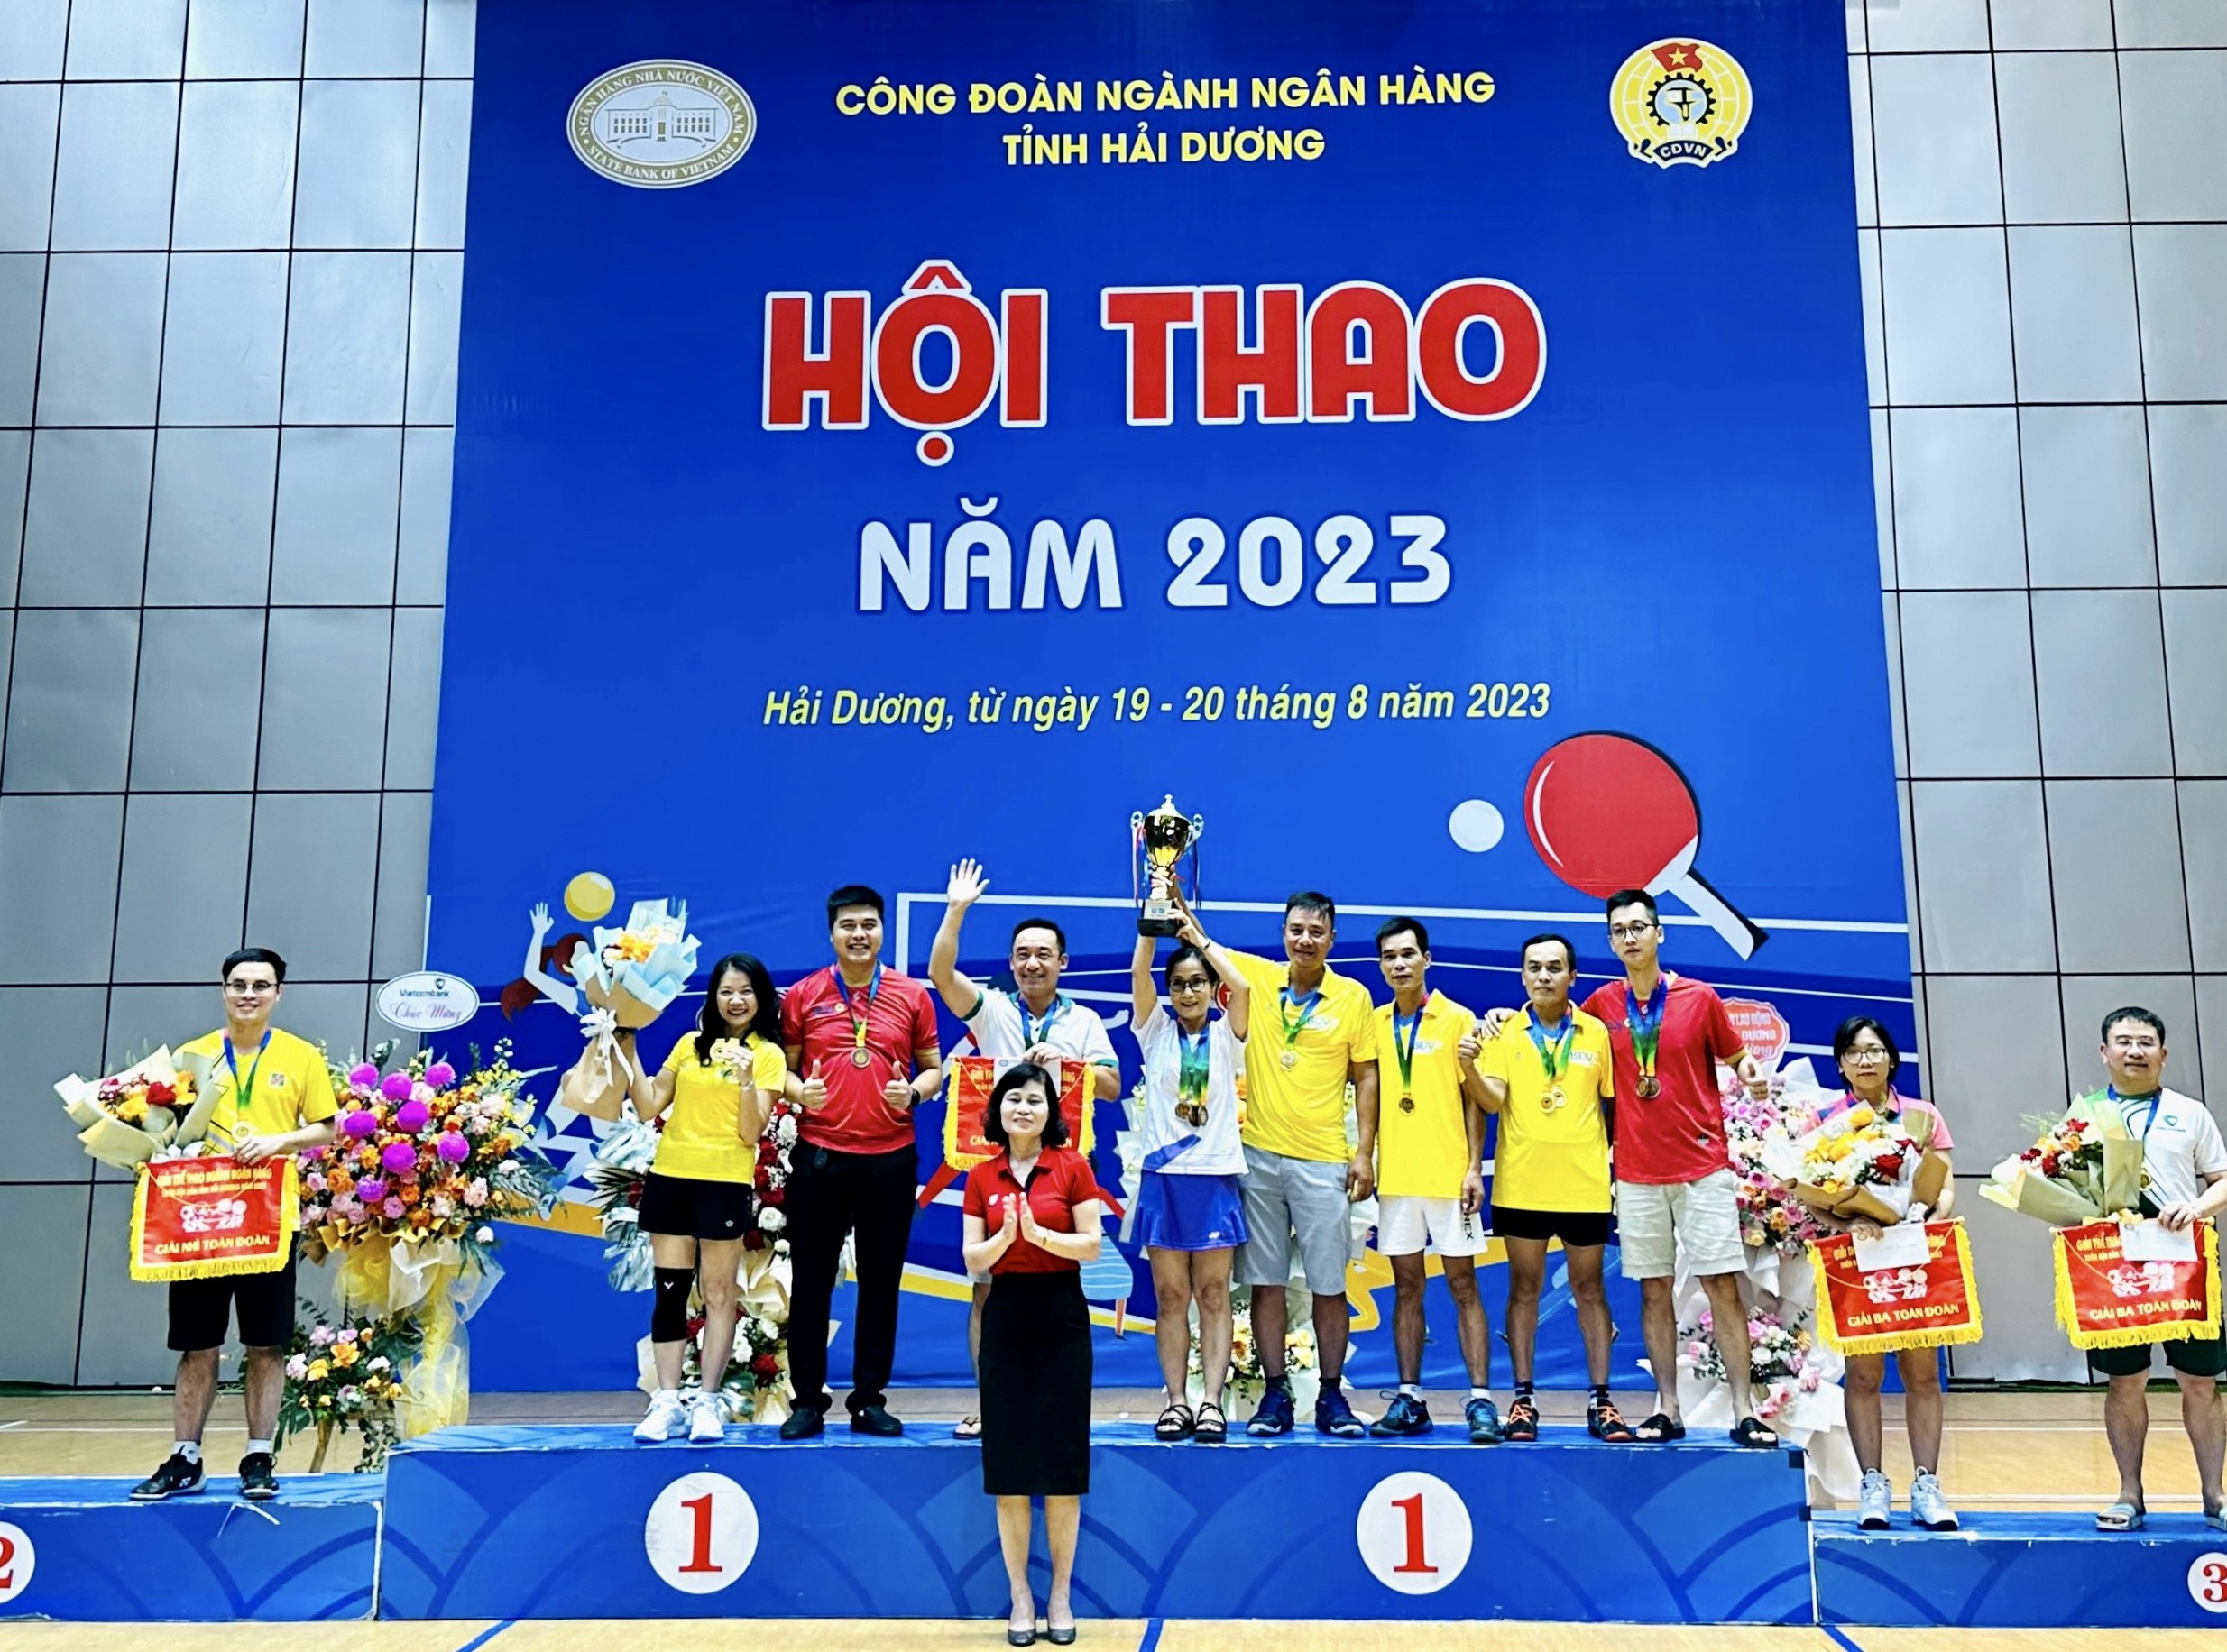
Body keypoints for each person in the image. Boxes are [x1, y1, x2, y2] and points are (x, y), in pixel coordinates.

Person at [132, 948, 338, 1503]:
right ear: (223, 990)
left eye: (260, 985)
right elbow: (163, 1129)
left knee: (265, 1343)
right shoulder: (192, 1056)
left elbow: (327, 1129)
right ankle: (185, 1457)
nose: (249, 994)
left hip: (268, 1221)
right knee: (196, 1343)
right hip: (200, 1219)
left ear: (278, 993)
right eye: (239, 984)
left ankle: (258, 1455)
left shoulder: (300, 1056)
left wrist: (278, 1142)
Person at [931, 858, 1122, 1440]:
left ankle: (1053, 1409)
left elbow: (1112, 1085)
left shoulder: (1084, 1021)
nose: (1033, 963)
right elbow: (941, 973)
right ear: (1012, 963)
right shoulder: (991, 1009)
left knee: (1058, 1290)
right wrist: (956, 910)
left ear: (1063, 963)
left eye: (1044, 954)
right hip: (998, 1167)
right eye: (1023, 955)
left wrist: (1070, 1064)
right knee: (988, 1288)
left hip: (1063, 1171)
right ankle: (991, 1404)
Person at [1584, 890, 1773, 1446]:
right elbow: (1554, 1024)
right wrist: (1506, 1016)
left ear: (1659, 933)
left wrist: (1751, 1072)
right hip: (1637, 1171)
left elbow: (1739, 1056)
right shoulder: (1601, 1006)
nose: (1630, 938)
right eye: (1619, 931)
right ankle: (1667, 1407)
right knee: (1653, 1290)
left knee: (1722, 1286)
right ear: (1611, 942)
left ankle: (1744, 1409)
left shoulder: (1700, 998)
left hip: (1701, 1165)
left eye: (1639, 927)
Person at [778, 886, 944, 1439]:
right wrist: (800, 1093)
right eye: (848, 925)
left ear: (882, 931)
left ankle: (869, 1400)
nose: (859, 934)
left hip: (889, 1160)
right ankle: (807, 1400)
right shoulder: (802, 995)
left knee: (881, 1281)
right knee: (811, 1282)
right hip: (820, 1156)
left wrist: (913, 1093)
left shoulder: (911, 995)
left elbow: (933, 1069)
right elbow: (786, 1070)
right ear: (831, 933)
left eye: (869, 924)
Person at [1225, 891, 1379, 1436]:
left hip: (1323, 1162)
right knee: (1265, 1283)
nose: (1305, 940)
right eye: (1296, 930)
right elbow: (1200, 942)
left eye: (1316, 932)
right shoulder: (1258, 979)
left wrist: (1363, 1152)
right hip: (1260, 1159)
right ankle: (1275, 1395)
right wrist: (1169, 891)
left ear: (1332, 938)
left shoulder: (1354, 997)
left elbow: (1367, 1075)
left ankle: (1331, 1397)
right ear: (1283, 933)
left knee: (1328, 1285)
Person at [962, 1063, 1106, 1646]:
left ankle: (1060, 1595)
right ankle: (1020, 1596)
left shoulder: (1072, 1167)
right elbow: (973, 1258)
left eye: (1035, 1100)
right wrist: (1005, 1238)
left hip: (1061, 1314)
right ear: (997, 1109)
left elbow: (1091, 1245)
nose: (1023, 1109)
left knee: (1063, 1467)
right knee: (1011, 1471)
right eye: (1014, 1099)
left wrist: (1041, 1236)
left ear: (1051, 1112)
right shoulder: (981, 1176)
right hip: (1007, 1316)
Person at [625, 953, 787, 1446]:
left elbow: (750, 1133)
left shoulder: (768, 1055)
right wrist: (626, 1045)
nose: (736, 1000)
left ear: (761, 998)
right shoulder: (688, 1046)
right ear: (713, 997)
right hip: (672, 1177)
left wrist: (746, 1080)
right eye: (726, 991)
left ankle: (707, 1402)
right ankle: (667, 1401)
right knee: (670, 1293)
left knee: (719, 1294)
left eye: (746, 991)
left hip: (724, 1182)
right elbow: (649, 1104)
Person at [1475, 932, 1628, 1444]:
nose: (1544, 976)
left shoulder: (1596, 1033)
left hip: (1584, 1186)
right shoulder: (1503, 1032)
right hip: (1521, 1184)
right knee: (1524, 1289)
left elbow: (1613, 1104)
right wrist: (1467, 1065)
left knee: (1590, 1289)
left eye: (1554, 967)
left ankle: (1601, 1400)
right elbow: (1491, 1101)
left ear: (1572, 976)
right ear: (1522, 976)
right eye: (1535, 967)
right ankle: (1523, 1399)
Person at [2083, 1007, 2227, 1534]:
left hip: (2184, 1261)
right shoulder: (2084, 1117)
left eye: (2146, 1042)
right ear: (2104, 1052)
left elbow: (2222, 1178)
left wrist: (2197, 1207)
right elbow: (2059, 1183)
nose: (2135, 1051)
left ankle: (2215, 1496)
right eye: (2123, 1041)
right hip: (2115, 1265)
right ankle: (2129, 1495)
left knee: (2200, 1381)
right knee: (2125, 1381)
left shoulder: (2190, 1112)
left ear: (2163, 1054)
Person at [1814, 1016, 1959, 1530]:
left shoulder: (1922, 1116)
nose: (1866, 1060)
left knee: (1922, 1373)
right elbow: (1815, 1196)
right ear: (1841, 1065)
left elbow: (1944, 1184)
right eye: (1854, 1052)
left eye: (1875, 1050)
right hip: (1858, 1258)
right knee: (1864, 1375)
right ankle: (1872, 1485)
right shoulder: (1827, 1122)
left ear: (1891, 1059)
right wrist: (1848, 1222)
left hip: (1916, 1252)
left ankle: (1927, 1486)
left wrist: (1926, 1216)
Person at [1367, 918, 1500, 1443]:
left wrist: (1472, 1167)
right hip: (1397, 1182)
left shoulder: (1458, 1018)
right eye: (1389, 957)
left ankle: (1481, 1401)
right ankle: (1410, 1399)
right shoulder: (1375, 1023)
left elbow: (1475, 1100)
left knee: (1464, 1286)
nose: (1399, 964)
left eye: (1408, 954)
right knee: (1406, 1288)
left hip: (1449, 1180)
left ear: (1427, 959)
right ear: (1381, 965)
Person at [1128, 896, 1251, 1444]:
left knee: (1214, 1294)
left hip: (1214, 1177)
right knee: (1172, 1297)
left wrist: (1198, 940)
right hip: (1165, 1180)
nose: (1187, 993)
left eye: (1197, 983)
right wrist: (1152, 924)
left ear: (1210, 988)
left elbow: (1242, 987)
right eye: (1178, 984)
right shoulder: (1154, 1030)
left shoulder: (1227, 1035)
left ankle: (1212, 1404)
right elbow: (1139, 973)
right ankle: (1177, 1402)